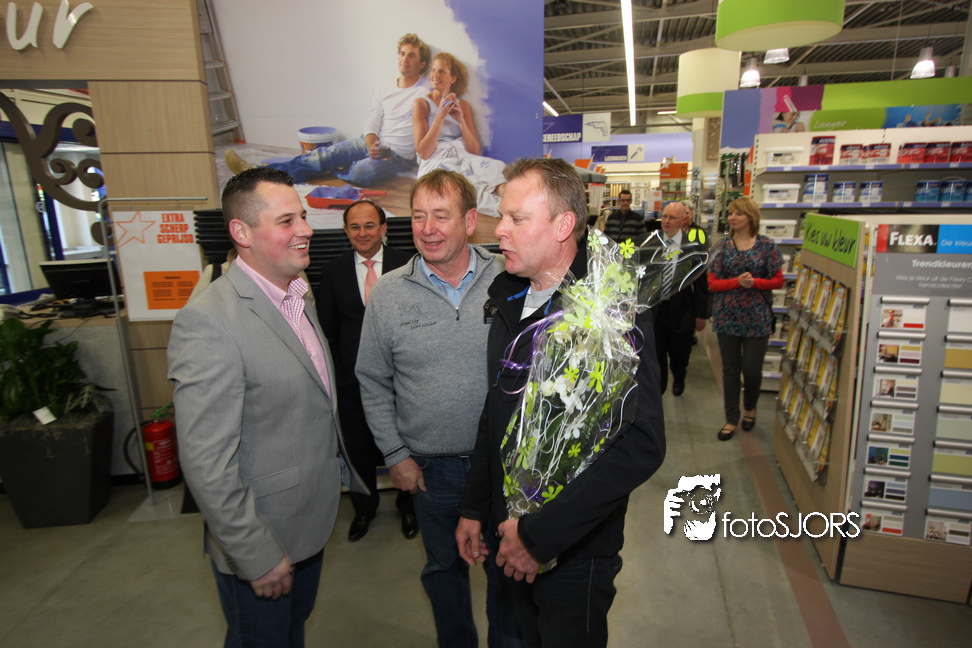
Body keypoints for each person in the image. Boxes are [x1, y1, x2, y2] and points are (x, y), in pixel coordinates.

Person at [456, 158, 666, 648]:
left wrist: (539, 536)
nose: (499, 229)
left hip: (574, 552)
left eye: (516, 218)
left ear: (563, 225)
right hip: (507, 534)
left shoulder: (609, 311)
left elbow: (641, 443)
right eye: (501, 216)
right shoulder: (508, 298)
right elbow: (498, 412)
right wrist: (475, 507)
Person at [168, 167, 365, 646]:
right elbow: (207, 462)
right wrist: (254, 553)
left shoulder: (297, 294)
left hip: (306, 522)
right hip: (262, 536)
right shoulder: (209, 322)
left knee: (291, 631)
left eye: (303, 216)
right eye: (286, 221)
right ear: (242, 232)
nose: (305, 230)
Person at [355, 169, 520, 648]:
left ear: (469, 221)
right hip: (432, 471)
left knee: (508, 575)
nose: (427, 228)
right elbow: (372, 379)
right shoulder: (388, 294)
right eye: (418, 216)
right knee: (444, 570)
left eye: (441, 216)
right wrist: (395, 454)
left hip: (505, 467)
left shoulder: (510, 279)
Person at [314, 199, 417, 542]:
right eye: (355, 227)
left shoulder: (409, 264)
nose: (362, 233)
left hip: (403, 379)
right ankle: (364, 509)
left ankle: (409, 506)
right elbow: (327, 331)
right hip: (352, 382)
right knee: (357, 449)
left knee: (406, 443)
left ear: (383, 228)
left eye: (369, 225)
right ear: (346, 231)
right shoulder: (333, 271)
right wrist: (339, 374)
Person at [226, 34, 431, 186]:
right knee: (325, 154)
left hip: (396, 155)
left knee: (361, 174)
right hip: (370, 141)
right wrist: (371, 143)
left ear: (422, 64)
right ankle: (257, 173)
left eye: (411, 56)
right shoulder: (383, 87)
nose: (404, 59)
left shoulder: (425, 92)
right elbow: (372, 121)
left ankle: (330, 168)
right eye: (402, 54)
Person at [708, 196, 784, 441]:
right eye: (731, 213)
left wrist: (755, 283)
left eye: (738, 213)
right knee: (730, 371)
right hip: (727, 317)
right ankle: (731, 418)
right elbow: (712, 283)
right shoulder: (722, 246)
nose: (732, 218)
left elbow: (778, 280)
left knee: (751, 369)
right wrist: (736, 282)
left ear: (751, 217)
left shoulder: (767, 246)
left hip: (757, 317)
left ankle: (750, 408)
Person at [412, 52, 506, 217]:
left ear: (453, 78)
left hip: (462, 154)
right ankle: (506, 210)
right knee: (467, 184)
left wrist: (461, 121)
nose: (435, 75)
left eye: (442, 71)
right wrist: (440, 116)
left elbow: (473, 150)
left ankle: (516, 201)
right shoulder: (421, 104)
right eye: (433, 70)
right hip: (436, 160)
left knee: (496, 168)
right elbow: (424, 152)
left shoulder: (463, 105)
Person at [652, 201, 709, 396]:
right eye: (664, 216)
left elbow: (701, 284)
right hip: (657, 311)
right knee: (657, 354)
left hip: (682, 311)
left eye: (672, 218)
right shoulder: (651, 243)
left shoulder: (693, 247)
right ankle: (659, 388)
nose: (666, 221)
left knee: (679, 354)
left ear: (683, 220)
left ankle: (679, 376)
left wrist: (701, 314)